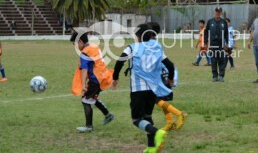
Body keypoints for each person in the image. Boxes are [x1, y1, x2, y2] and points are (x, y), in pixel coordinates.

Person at [112, 23, 173, 153]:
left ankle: (157, 132)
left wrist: (115, 77)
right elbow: (170, 65)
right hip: (152, 90)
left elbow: (119, 61)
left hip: (138, 90)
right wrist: (171, 79)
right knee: (147, 116)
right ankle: (151, 147)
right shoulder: (156, 48)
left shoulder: (132, 48)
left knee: (136, 120)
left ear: (139, 36)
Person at [70, 31, 115, 133]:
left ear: (80, 41)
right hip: (103, 76)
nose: (75, 47)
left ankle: (89, 127)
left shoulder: (85, 53)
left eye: (75, 44)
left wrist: (82, 85)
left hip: (96, 80)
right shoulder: (94, 47)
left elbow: (85, 69)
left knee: (85, 100)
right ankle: (108, 115)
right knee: (92, 98)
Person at [148, 22, 187, 132]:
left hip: (158, 75)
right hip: (160, 73)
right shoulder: (153, 43)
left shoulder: (151, 44)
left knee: (156, 99)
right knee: (161, 99)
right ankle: (170, 122)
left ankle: (180, 114)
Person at [204, 7, 229, 82]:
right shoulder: (210, 22)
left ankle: (221, 76)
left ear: (221, 13)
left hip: (221, 45)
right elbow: (206, 33)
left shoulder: (224, 22)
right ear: (214, 12)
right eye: (216, 11)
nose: (218, 13)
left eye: (219, 12)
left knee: (222, 60)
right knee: (213, 61)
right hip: (212, 44)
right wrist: (206, 43)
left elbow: (226, 33)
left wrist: (227, 43)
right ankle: (215, 76)